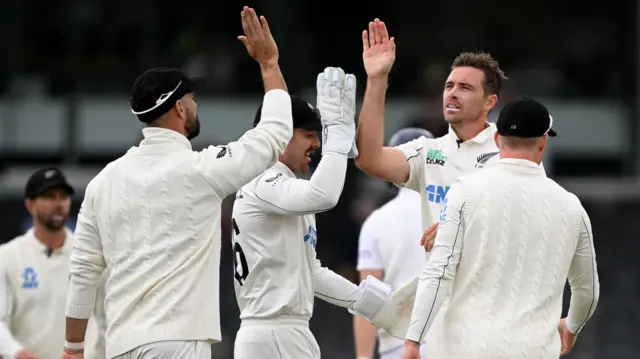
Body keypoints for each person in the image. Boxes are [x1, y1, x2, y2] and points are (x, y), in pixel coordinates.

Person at [61, 7, 294, 359]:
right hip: (179, 343)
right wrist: (269, 64)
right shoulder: (200, 170)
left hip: (121, 345)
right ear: (180, 109)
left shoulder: (102, 182)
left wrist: (72, 348)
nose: (196, 104)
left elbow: (83, 271)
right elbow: (276, 133)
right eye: (192, 99)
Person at [400, 98, 600, 359]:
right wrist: (572, 326)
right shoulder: (571, 207)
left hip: (464, 349)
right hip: (534, 350)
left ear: (496, 140)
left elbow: (439, 272)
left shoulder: (464, 192)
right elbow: (588, 291)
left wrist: (413, 341)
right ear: (543, 142)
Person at [232, 67, 392, 359]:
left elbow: (308, 270)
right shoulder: (265, 181)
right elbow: (324, 194)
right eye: (308, 135)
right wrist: (339, 139)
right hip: (275, 333)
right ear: (280, 136)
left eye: (319, 135)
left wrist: (359, 298)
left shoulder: (284, 190)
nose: (316, 144)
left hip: (280, 332)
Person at [354, 19, 545, 253]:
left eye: (465, 88)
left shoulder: (511, 146)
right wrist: (376, 79)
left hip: (494, 288)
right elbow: (369, 160)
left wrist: (457, 230)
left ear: (490, 101)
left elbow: (529, 222)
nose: (452, 94)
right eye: (449, 86)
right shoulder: (427, 150)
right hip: (440, 287)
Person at [0, 168, 104, 359]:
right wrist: (15, 352)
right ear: (30, 205)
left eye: (63, 196)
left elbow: (105, 316)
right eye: (49, 196)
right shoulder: (7, 257)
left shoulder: (89, 253)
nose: (58, 204)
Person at [354, 128, 433, 359]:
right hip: (450, 343)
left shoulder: (377, 221)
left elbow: (369, 301)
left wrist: (363, 358)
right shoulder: (453, 212)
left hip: (398, 347)